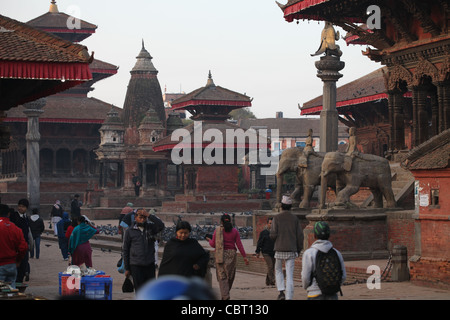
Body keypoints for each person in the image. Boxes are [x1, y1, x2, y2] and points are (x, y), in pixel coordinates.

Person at [207, 213, 249, 300]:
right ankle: (225, 294)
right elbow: (239, 245)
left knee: (222, 276)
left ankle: (225, 295)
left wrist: (209, 240)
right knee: (230, 276)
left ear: (221, 222)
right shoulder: (235, 231)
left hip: (220, 255)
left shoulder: (217, 230)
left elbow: (213, 244)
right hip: (231, 255)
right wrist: (244, 257)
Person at [301, 221, 346, 300]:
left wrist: (308, 287)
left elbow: (305, 277)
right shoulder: (336, 253)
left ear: (315, 235)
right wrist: (333, 286)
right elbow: (343, 276)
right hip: (333, 294)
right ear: (329, 235)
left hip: (314, 294)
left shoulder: (309, 253)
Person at [123, 208, 165, 291]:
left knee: (151, 290)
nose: (142, 220)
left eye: (144, 218)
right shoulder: (130, 231)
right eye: (140, 217)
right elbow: (126, 250)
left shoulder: (151, 228)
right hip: (136, 265)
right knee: (139, 290)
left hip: (149, 264)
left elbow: (161, 225)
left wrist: (149, 215)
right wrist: (127, 268)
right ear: (135, 218)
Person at [270, 195, 303, 300]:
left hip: (279, 248)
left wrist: (274, 240)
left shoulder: (277, 218)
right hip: (291, 249)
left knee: (278, 270)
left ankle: (281, 291)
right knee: (290, 275)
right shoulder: (295, 219)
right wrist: (298, 248)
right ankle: (289, 297)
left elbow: (273, 234)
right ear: (290, 207)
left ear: (281, 206)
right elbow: (300, 236)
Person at [0, 204, 28, 289]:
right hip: (12, 265)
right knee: (11, 291)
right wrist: (18, 260)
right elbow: (23, 247)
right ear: (8, 214)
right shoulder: (15, 228)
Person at [11, 198, 32, 283]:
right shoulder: (14, 216)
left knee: (23, 266)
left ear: (26, 208)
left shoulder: (26, 218)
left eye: (23, 207)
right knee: (16, 267)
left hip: (24, 246)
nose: (20, 208)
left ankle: (19, 284)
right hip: (15, 246)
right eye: (19, 206)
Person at [255, 217, 275, 286]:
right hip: (265, 252)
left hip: (273, 252)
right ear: (267, 224)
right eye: (270, 223)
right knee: (270, 266)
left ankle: (268, 281)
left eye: (273, 223)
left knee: (272, 267)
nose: (271, 225)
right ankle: (272, 281)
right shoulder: (264, 233)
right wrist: (257, 252)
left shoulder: (275, 232)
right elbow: (259, 242)